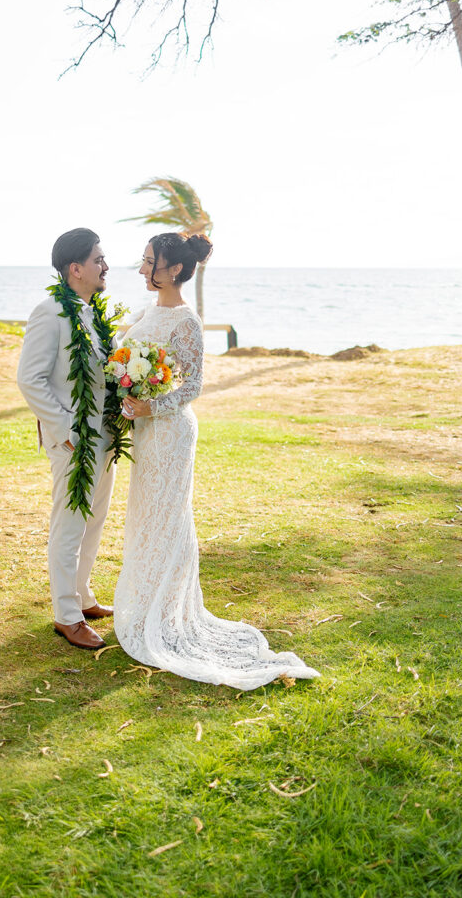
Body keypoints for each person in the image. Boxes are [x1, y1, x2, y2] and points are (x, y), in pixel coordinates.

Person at [116, 232, 320, 689]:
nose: (142, 267)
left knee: (168, 518)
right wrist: (130, 394)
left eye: (150, 261)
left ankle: (168, 617)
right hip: (147, 432)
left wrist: (152, 404)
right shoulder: (148, 311)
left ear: (172, 270)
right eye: (144, 259)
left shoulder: (186, 320)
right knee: (147, 516)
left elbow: (192, 387)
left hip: (170, 432)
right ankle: (150, 601)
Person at [17, 228, 118, 651]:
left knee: (94, 519)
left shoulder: (93, 314)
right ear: (75, 268)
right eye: (98, 259)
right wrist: (66, 431)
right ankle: (65, 615)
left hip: (105, 438)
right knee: (70, 525)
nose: (105, 266)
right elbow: (30, 379)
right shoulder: (51, 313)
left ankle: (82, 595)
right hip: (75, 441)